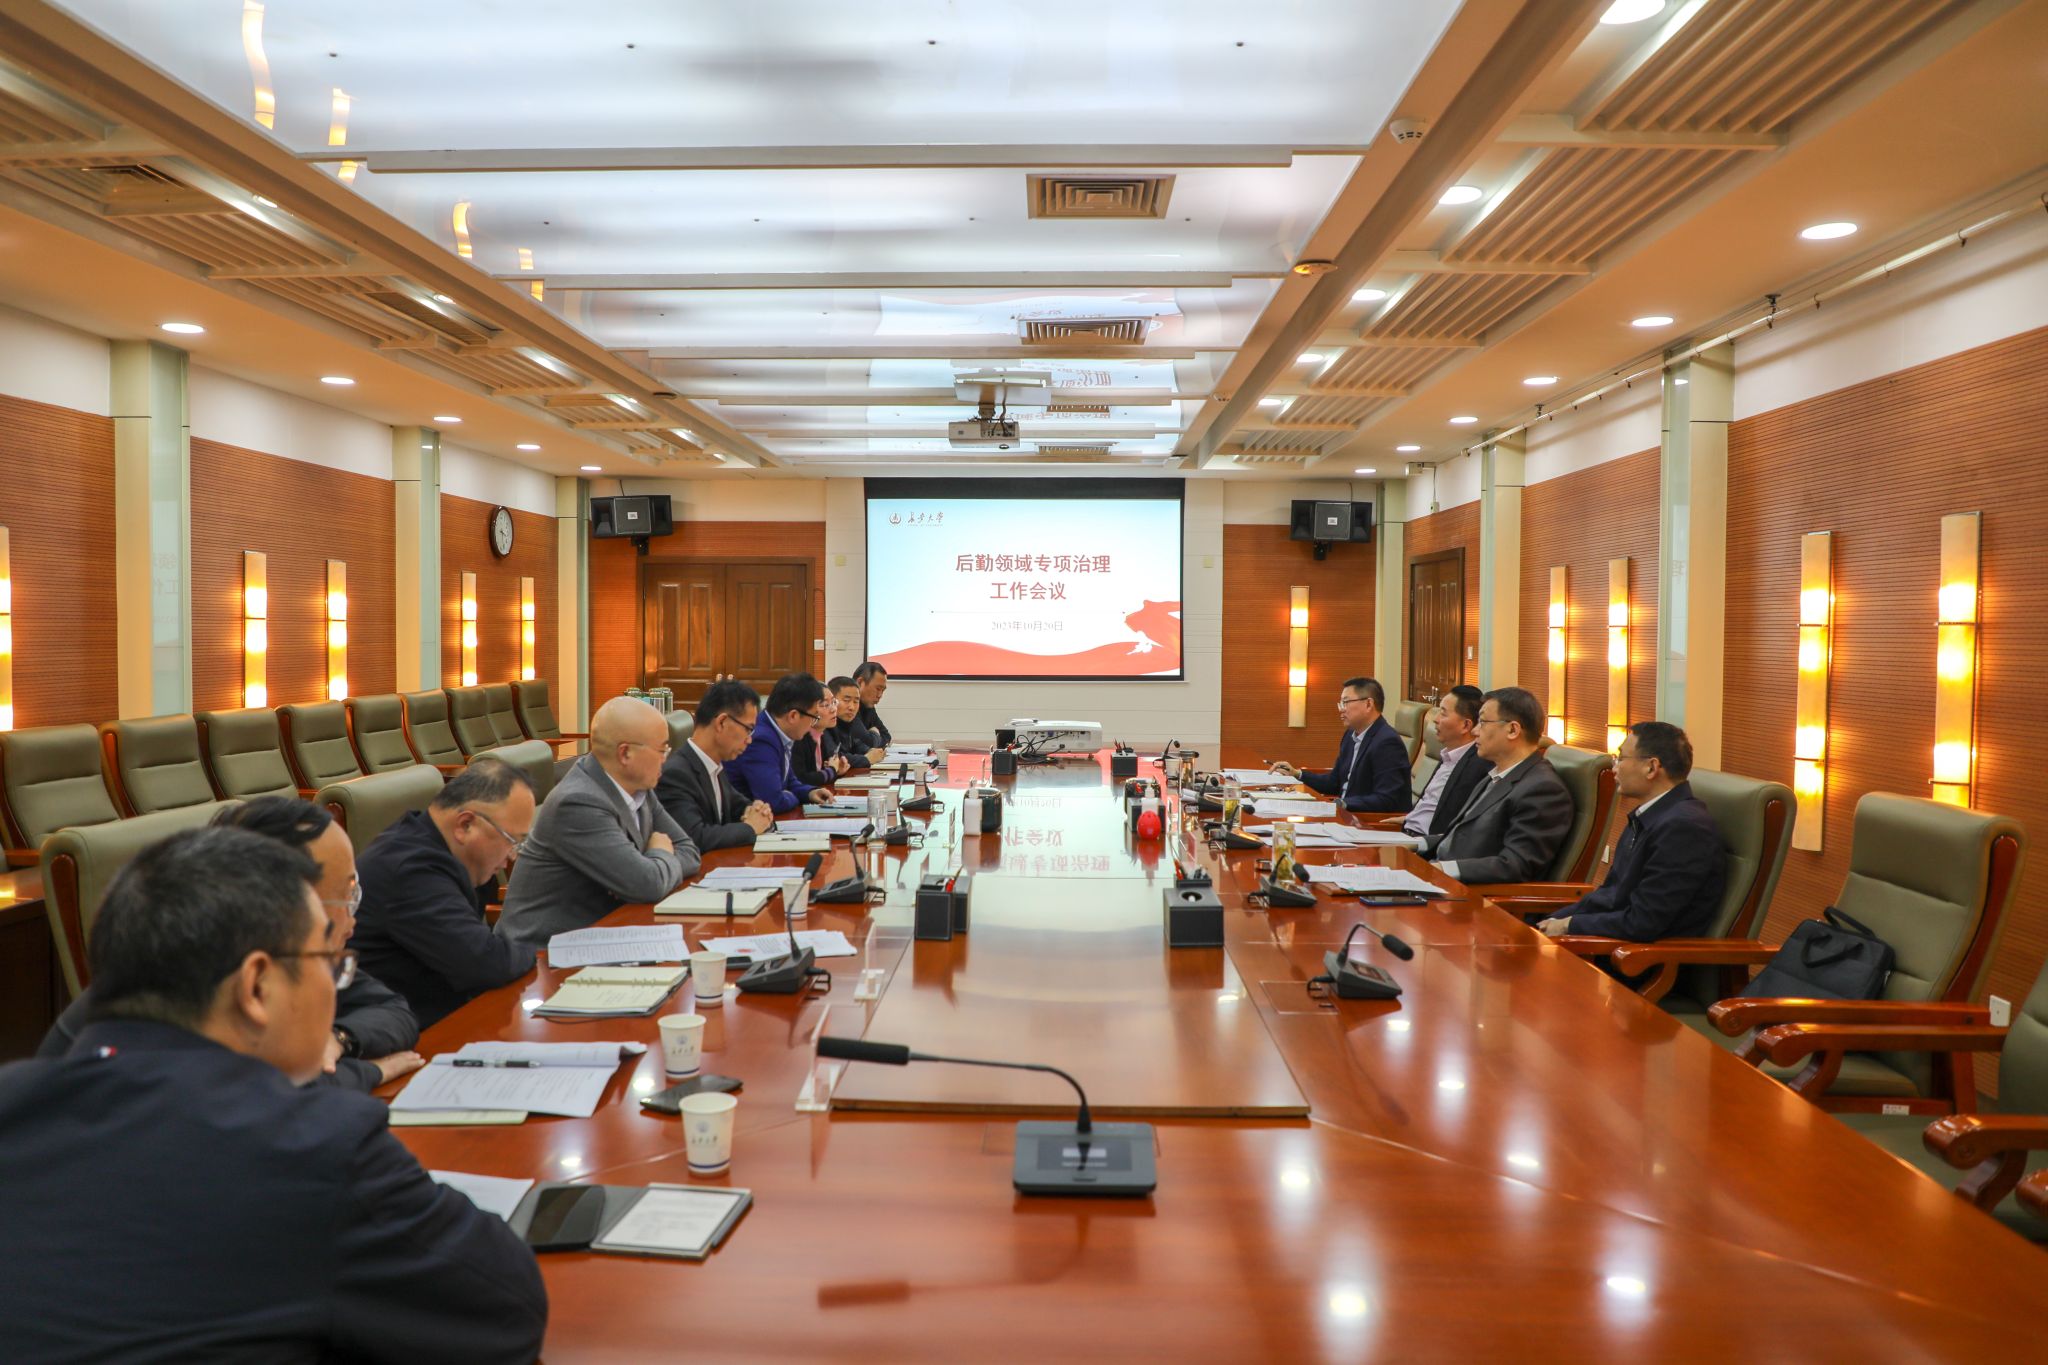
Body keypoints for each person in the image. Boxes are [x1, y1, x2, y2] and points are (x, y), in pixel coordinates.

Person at [0, 827, 548, 1362]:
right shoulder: (312, 1147)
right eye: (330, 965)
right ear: (257, 986)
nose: (335, 987)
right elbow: (506, 1308)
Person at [38, 796, 425, 1091]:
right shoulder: (194, 976)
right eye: (345, 896)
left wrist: (338, 1039)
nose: (353, 917)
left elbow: (394, 1010)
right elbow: (260, 1098)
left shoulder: (287, 953)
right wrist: (368, 1071)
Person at [351, 757, 541, 1027]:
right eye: (511, 841)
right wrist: (532, 951)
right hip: (404, 1033)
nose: (511, 856)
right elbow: (485, 963)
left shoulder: (432, 846)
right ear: (465, 825)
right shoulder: (410, 871)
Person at [496, 695, 700, 945]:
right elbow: (647, 884)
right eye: (662, 750)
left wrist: (649, 867)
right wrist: (661, 854)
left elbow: (689, 851)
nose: (666, 758)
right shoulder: (578, 802)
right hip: (545, 952)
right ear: (625, 753)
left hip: (607, 932)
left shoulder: (640, 787)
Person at [1539, 721, 1726, 942]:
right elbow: (1609, 895)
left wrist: (1568, 925)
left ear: (1651, 767)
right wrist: (1550, 921)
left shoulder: (1684, 829)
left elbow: (1642, 922)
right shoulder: (1648, 815)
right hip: (1607, 939)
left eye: (1620, 759)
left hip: (1637, 957)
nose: (1614, 768)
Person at [1421, 686, 1573, 884]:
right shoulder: (1496, 774)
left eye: (1482, 722)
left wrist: (1442, 869)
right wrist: (1413, 844)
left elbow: (1515, 865)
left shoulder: (1543, 790)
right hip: (1438, 877)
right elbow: (1461, 836)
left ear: (1512, 730)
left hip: (1468, 893)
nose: (1475, 731)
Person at [655, 679, 776, 852]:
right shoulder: (675, 774)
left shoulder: (715, 765)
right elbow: (694, 838)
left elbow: (739, 806)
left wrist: (758, 810)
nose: (749, 740)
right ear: (721, 722)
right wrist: (750, 828)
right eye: (748, 729)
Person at [1269, 676, 1411, 813]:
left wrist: (1343, 804)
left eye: (1346, 702)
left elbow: (1387, 799)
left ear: (1368, 704)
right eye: (1340, 704)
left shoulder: (1387, 742)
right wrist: (1296, 773)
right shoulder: (1350, 736)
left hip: (1366, 821)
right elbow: (1334, 783)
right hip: (1345, 814)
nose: (1341, 709)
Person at [728, 672, 838, 815]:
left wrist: (810, 793)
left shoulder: (778, 731)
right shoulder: (762, 740)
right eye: (814, 717)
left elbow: (789, 781)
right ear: (793, 716)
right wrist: (793, 796)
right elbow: (773, 802)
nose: (813, 723)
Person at [1403, 684, 1490, 839]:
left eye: (1443, 713)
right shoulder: (1448, 754)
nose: (1435, 720)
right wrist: (1410, 818)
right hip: (1407, 832)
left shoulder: (1479, 766)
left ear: (1466, 725)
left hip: (1427, 843)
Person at [822, 674, 885, 769]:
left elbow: (856, 745)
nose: (852, 707)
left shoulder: (847, 722)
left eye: (856, 701)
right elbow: (834, 757)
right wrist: (866, 759)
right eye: (846, 700)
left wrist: (871, 751)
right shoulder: (824, 725)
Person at [791, 680, 846, 788]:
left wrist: (837, 770)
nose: (833, 709)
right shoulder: (798, 737)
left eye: (834, 702)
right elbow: (802, 779)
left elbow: (820, 772)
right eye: (825, 704)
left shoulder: (821, 733)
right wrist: (832, 770)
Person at [853, 660, 893, 748]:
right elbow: (863, 744)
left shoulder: (868, 706)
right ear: (860, 683)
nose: (880, 695)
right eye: (878, 689)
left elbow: (886, 736)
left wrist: (873, 737)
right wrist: (875, 733)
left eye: (883, 690)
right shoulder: (848, 708)